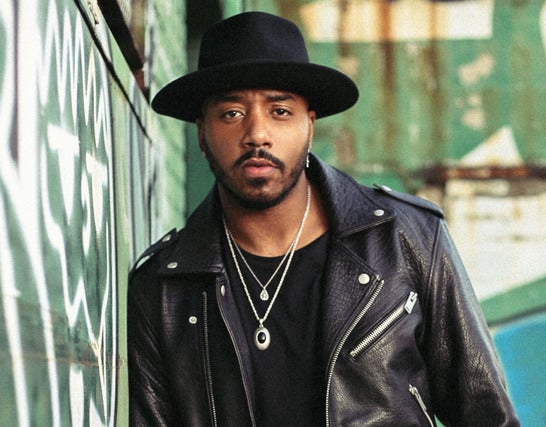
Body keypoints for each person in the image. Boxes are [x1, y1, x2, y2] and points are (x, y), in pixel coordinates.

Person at [127, 11, 520, 427]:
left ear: (309, 126)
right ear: (202, 135)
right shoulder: (163, 287)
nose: (257, 134)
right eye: (231, 114)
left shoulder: (405, 239)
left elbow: (486, 415)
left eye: (280, 111)